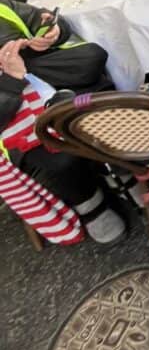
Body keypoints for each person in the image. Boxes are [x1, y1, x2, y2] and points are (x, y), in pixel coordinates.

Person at [0, 39, 126, 244]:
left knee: (96, 93)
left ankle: (119, 171)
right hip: (13, 136)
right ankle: (90, 205)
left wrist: (48, 30)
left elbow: (31, 18)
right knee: (61, 158)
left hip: (37, 86)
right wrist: (12, 79)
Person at [0, 0, 111, 92]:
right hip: (34, 96)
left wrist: (54, 32)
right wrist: (12, 80)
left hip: (62, 74)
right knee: (91, 57)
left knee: (92, 57)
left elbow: (37, 17)